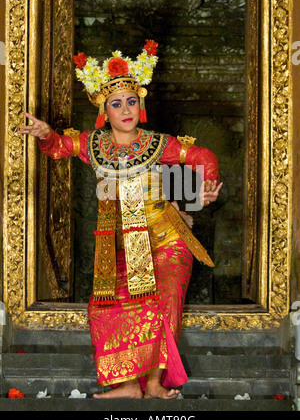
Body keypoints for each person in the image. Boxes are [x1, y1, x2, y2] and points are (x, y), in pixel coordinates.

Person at [18, 40, 222, 399]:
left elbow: (203, 155)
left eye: (131, 101)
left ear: (139, 105)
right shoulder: (93, 145)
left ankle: (156, 383)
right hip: (121, 245)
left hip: (168, 237)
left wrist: (204, 187)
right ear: (104, 110)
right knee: (103, 309)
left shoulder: (159, 143)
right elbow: (56, 147)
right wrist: (44, 134)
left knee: (164, 298)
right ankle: (128, 385)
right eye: (116, 103)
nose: (126, 109)